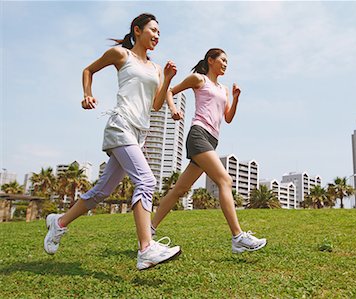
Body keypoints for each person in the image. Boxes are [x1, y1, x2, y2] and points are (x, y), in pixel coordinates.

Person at [43, 13, 182, 270]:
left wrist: (169, 79)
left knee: (101, 192)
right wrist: (87, 94)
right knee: (146, 181)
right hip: (121, 125)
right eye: (153, 30)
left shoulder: (155, 68)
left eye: (159, 33)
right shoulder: (121, 55)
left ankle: (59, 222)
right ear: (137, 30)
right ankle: (146, 248)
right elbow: (88, 70)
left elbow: (157, 104)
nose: (157, 36)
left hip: (139, 133)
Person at [151, 48, 267, 254]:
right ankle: (238, 237)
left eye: (227, 61)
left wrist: (236, 98)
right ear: (210, 60)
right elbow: (170, 91)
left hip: (212, 140)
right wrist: (173, 108)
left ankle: (149, 229)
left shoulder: (222, 89)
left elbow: (228, 117)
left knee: (179, 189)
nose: (225, 64)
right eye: (222, 60)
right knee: (225, 180)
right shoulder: (199, 79)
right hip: (198, 135)